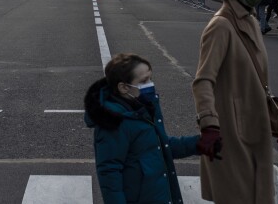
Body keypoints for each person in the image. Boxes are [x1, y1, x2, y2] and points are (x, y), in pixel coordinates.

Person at [192, 0, 277, 203]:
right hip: (231, 134)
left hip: (254, 127)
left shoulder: (250, 21)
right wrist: (209, 125)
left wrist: (271, 115)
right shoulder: (221, 26)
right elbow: (203, 80)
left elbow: (257, 79)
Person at [85, 53, 200, 204]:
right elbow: (109, 173)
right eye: (144, 81)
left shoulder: (143, 109)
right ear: (123, 87)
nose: (150, 84)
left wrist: (199, 143)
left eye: (150, 78)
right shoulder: (114, 122)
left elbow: (160, 146)